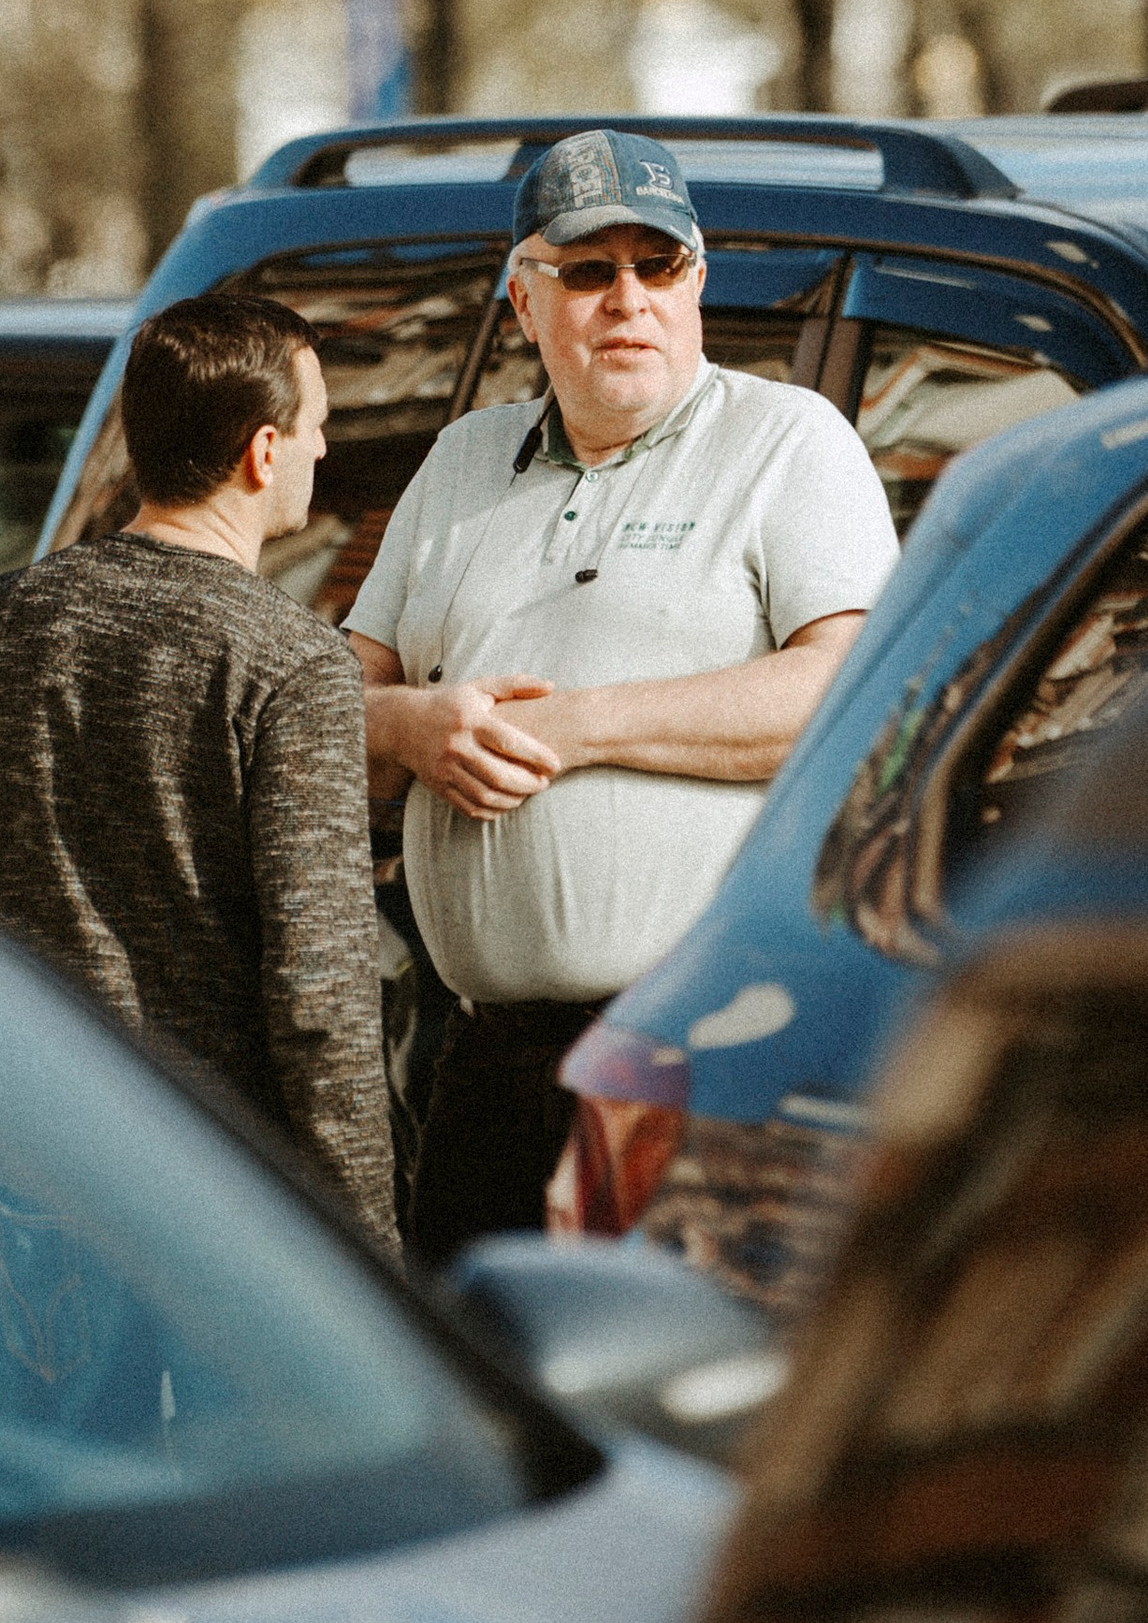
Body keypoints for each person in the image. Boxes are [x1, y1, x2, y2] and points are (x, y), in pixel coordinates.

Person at [348, 128, 898, 1259]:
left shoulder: (785, 441)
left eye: (659, 265)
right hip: (488, 1060)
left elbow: (848, 690)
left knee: (676, 1405)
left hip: (704, 1056)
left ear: (699, 280)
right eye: (589, 271)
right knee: (486, 1404)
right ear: (521, 300)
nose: (627, 300)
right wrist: (410, 723)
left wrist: (578, 725)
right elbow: (323, 712)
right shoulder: (461, 459)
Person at [0, 294, 396, 1251]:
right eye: (319, 427)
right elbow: (320, 995)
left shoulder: (1, 619)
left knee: (70, 1409)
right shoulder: (291, 664)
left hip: (49, 1153)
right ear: (264, 451)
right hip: (232, 1187)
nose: (325, 452)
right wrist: (368, 1245)